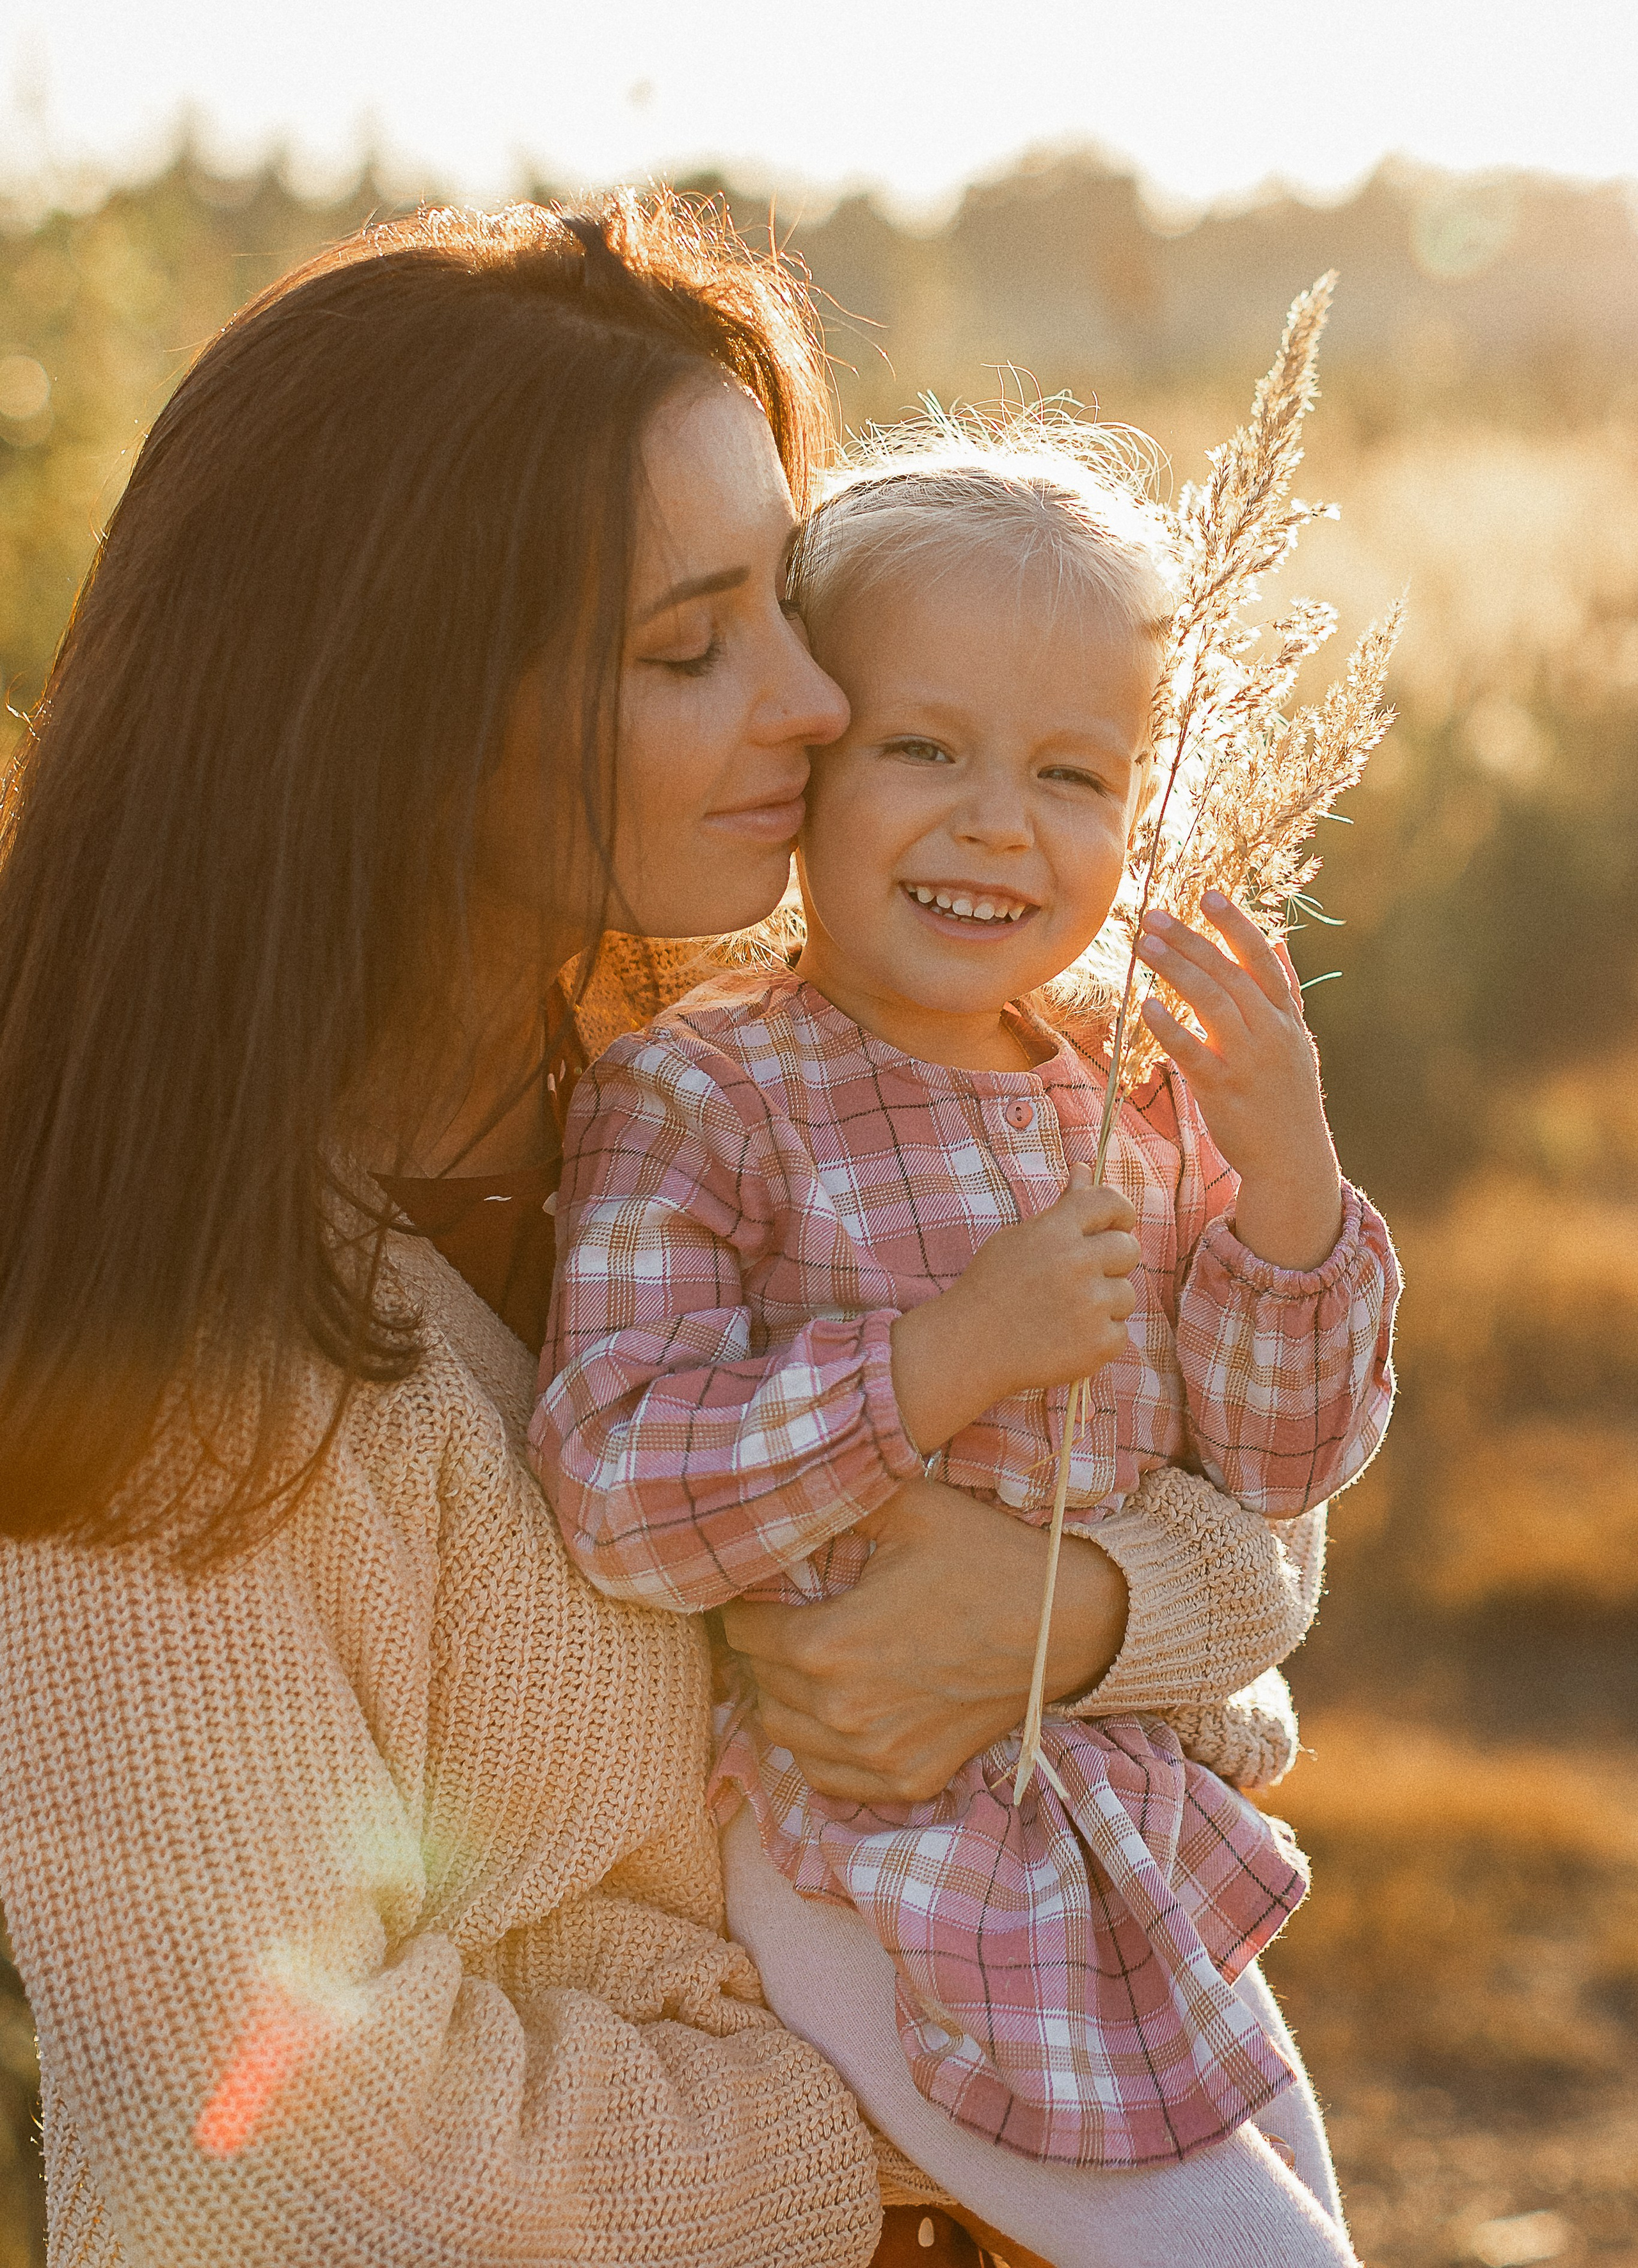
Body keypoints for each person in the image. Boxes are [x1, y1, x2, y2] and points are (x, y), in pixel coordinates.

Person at [0, 195, 1349, 2268]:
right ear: (402, 715)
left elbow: (1228, 1474)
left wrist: (1060, 1621)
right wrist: (943, 2107)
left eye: (790, 601)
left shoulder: (754, 1067)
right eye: (689, 646)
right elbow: (277, 2151)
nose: (820, 703)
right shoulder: (148, 1362)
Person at [532, 427, 1399, 2253]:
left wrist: (1293, 1181)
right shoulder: (709, 1098)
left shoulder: (1130, 1100)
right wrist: (938, 1361)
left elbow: (1282, 1470)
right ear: (808, 766)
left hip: (1121, 1845)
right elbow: (613, 1484)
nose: (1000, 821)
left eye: (1074, 774)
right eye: (927, 748)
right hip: (871, 1845)